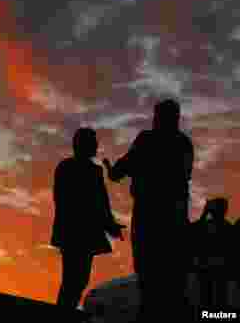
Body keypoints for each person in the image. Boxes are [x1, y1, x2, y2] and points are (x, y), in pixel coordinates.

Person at [104, 98, 194, 320]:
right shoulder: (184, 143)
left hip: (149, 215)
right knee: (171, 275)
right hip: (175, 217)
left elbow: (119, 172)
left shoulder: (147, 140)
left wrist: (113, 169)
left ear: (158, 118)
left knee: (147, 273)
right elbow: (185, 176)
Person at [51, 127, 126, 310]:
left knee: (77, 279)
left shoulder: (73, 168)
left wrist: (110, 225)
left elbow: (100, 203)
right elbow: (99, 203)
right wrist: (109, 225)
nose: (96, 146)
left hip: (75, 231)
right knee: (74, 279)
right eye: (93, 142)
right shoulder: (81, 169)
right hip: (78, 232)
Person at [191, 197, 232, 310]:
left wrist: (204, 213)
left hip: (208, 266)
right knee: (217, 297)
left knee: (209, 298)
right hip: (216, 267)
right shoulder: (227, 227)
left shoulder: (208, 226)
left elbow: (194, 229)